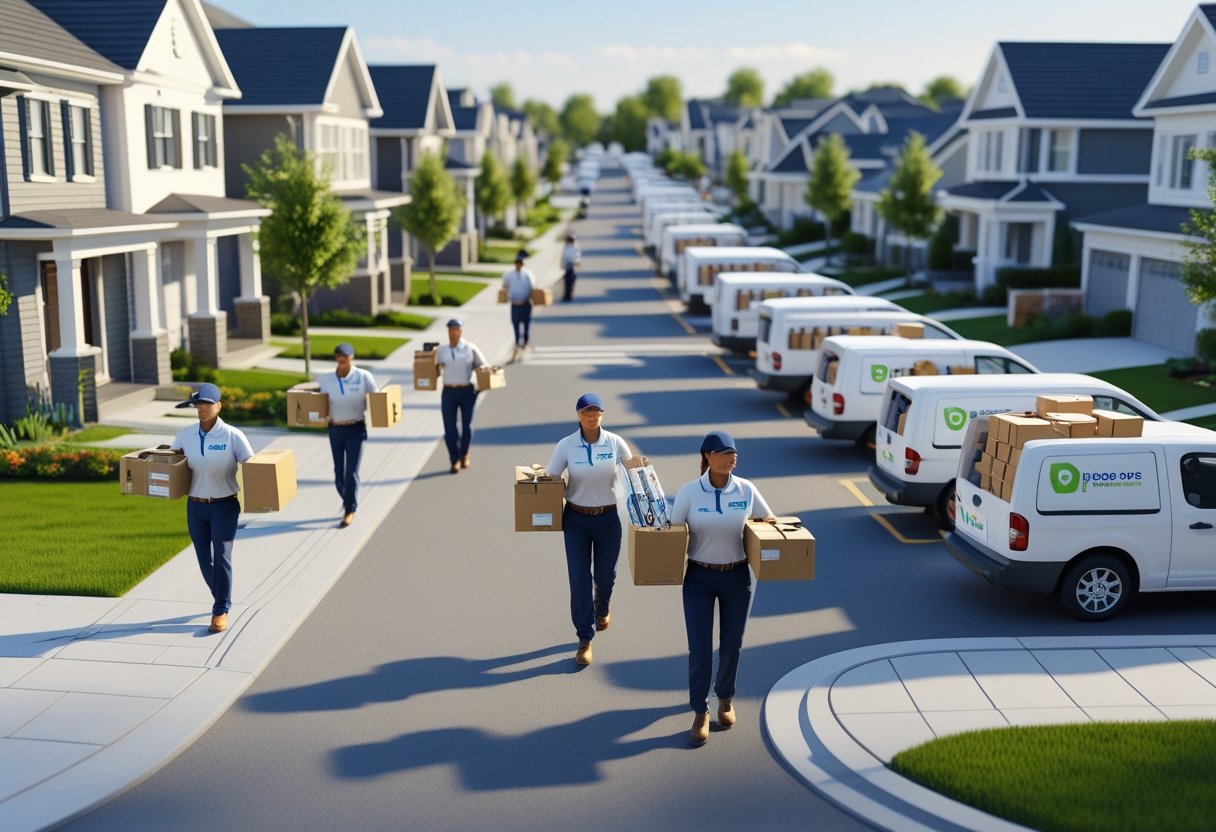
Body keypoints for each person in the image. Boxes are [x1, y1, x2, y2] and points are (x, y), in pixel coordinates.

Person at [668, 430, 775, 745]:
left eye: (734, 453)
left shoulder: (746, 489)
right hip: (699, 578)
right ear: (708, 456)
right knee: (700, 649)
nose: (732, 458)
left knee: (732, 645)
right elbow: (672, 531)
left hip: (737, 577)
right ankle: (700, 710)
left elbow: (768, 520)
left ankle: (725, 698)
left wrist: (768, 527)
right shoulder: (689, 492)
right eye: (725, 453)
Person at [546, 393, 632, 666]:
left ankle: (602, 607)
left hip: (608, 519)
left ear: (602, 414)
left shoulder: (615, 443)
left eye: (596, 412)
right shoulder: (566, 445)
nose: (592, 417)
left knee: (606, 576)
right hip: (576, 520)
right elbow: (551, 475)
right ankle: (584, 638)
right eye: (587, 412)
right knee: (579, 581)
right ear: (578, 415)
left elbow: (635, 473)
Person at [172, 383, 254, 634]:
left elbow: (254, 467)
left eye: (206, 404)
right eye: (197, 404)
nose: (201, 409)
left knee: (222, 556)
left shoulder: (232, 436)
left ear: (219, 406)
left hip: (224, 505)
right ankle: (221, 594)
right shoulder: (185, 435)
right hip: (195, 507)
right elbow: (171, 465)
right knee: (204, 559)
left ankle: (220, 610)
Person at [315, 342, 378, 527]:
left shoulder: (363, 376)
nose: (342, 359)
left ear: (352, 357)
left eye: (345, 356)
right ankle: (348, 499)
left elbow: (378, 398)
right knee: (339, 474)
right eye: (339, 356)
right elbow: (314, 399)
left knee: (351, 472)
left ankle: (350, 509)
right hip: (335, 429)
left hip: (356, 429)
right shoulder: (325, 379)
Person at [436, 318, 487, 474]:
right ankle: (454, 459)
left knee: (467, 427)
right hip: (448, 391)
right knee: (449, 429)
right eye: (450, 330)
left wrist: (482, 384)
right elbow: (432, 369)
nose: (453, 333)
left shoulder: (470, 348)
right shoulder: (442, 350)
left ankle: (464, 453)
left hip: (466, 391)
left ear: (461, 331)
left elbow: (483, 366)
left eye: (456, 330)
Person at [501, 252, 536, 362]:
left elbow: (533, 286)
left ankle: (525, 343)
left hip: (526, 303)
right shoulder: (509, 275)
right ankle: (517, 344)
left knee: (526, 324)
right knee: (515, 324)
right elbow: (504, 285)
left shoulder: (527, 274)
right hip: (515, 303)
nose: (519, 265)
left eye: (520, 263)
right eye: (517, 263)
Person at [560, 234, 581, 302]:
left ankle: (570, 294)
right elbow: (564, 256)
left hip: (573, 265)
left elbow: (577, 256)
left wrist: (576, 262)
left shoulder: (575, 248)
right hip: (567, 266)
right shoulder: (566, 247)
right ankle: (566, 295)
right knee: (566, 281)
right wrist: (562, 264)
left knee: (571, 281)